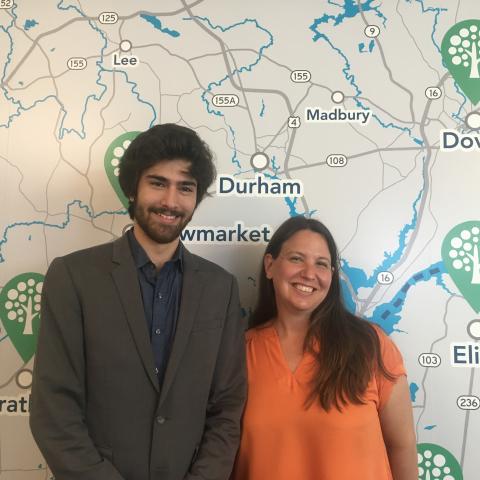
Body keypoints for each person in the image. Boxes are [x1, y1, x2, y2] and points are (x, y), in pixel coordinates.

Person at [30, 124, 246, 480]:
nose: (171, 201)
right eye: (158, 183)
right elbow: (54, 409)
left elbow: (227, 406)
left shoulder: (220, 288)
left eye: (185, 188)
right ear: (132, 188)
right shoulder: (73, 276)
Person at [231, 216, 417, 480]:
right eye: (296, 259)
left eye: (321, 264)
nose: (309, 273)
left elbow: (402, 446)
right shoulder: (240, 353)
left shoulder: (370, 345)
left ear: (331, 275)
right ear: (270, 266)